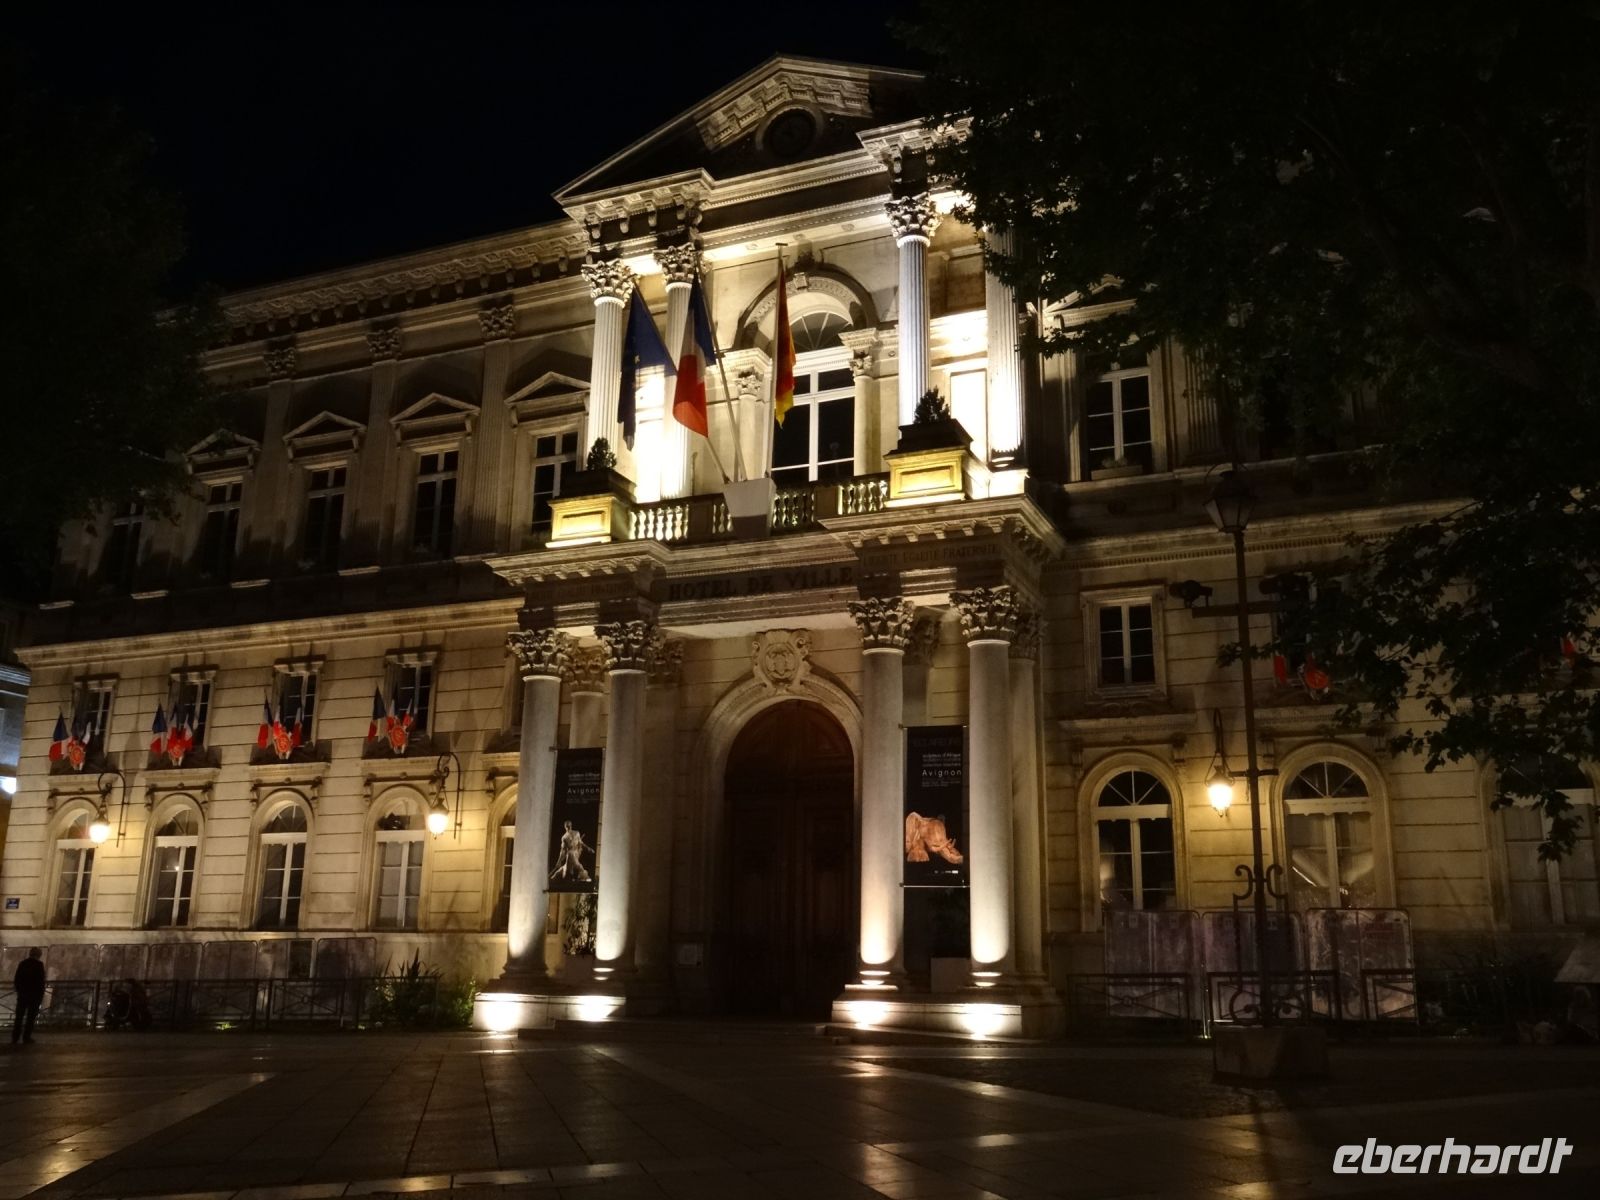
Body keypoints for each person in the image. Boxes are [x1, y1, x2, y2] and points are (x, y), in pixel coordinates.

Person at [12, 948, 45, 1045]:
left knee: (19, 1017)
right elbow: (40, 981)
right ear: (39, 955)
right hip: (34, 995)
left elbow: (17, 979)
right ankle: (26, 1037)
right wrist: (40, 995)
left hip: (23, 994)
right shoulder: (39, 965)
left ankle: (15, 1037)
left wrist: (19, 990)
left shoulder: (22, 963)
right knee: (30, 1017)